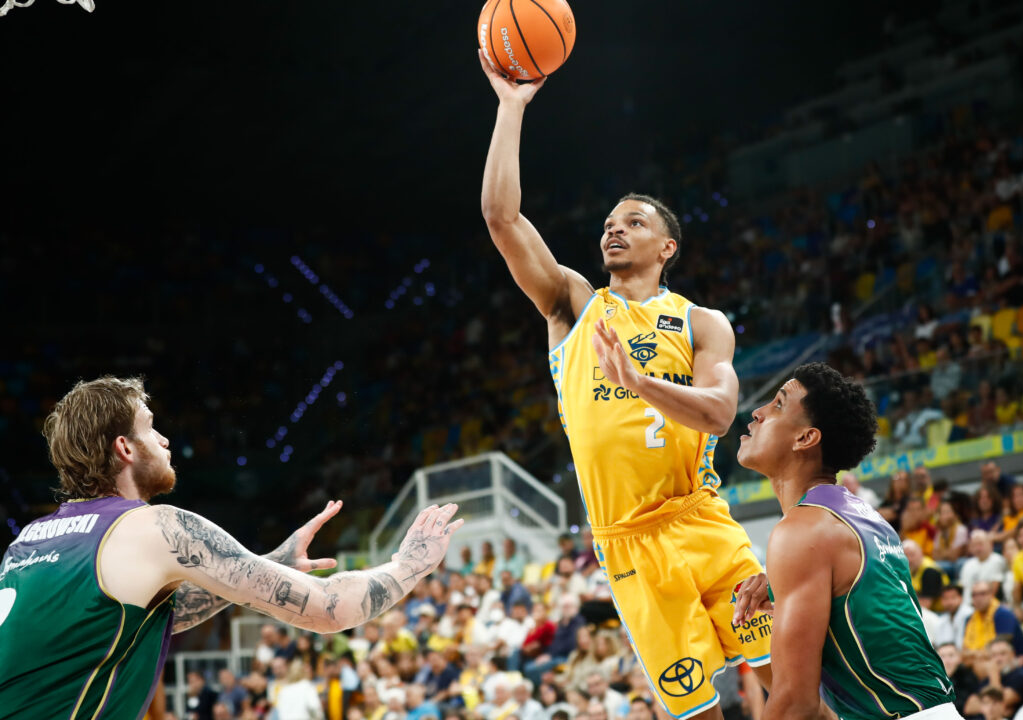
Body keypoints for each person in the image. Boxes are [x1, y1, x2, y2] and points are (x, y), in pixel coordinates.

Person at [479, 54, 772, 718]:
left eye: (635, 221)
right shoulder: (574, 305)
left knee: (790, 680)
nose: (615, 227)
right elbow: (502, 218)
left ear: (668, 247)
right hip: (626, 541)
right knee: (698, 711)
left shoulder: (702, 321)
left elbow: (722, 413)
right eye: (610, 221)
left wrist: (637, 382)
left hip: (703, 520)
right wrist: (511, 107)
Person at [0, 377, 459, 718]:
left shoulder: (26, 544)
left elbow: (146, 618)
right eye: (151, 428)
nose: (163, 440)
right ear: (125, 447)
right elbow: (329, 609)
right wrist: (410, 564)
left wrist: (269, 564)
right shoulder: (153, 526)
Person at [731, 363, 957, 720]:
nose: (756, 413)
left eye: (777, 404)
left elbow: (794, 703)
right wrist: (779, 584)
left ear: (805, 438)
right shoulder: (862, 518)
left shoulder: (805, 530)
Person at [963, 581, 1023, 657]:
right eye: (974, 595)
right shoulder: (969, 619)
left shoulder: (1003, 615)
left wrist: (972, 655)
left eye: (982, 594)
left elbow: (1001, 649)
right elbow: (965, 649)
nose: (978, 598)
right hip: (980, 660)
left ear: (992, 594)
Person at [959, 531, 1008, 606]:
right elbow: (966, 589)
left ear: (990, 545)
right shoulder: (968, 564)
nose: (978, 548)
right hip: (970, 605)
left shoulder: (997, 560)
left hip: (991, 605)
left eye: (980, 544)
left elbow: (994, 591)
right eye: (974, 545)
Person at [935, 584, 974, 648]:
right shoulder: (941, 620)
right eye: (945, 598)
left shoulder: (970, 614)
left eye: (953, 598)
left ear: (961, 598)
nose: (949, 602)